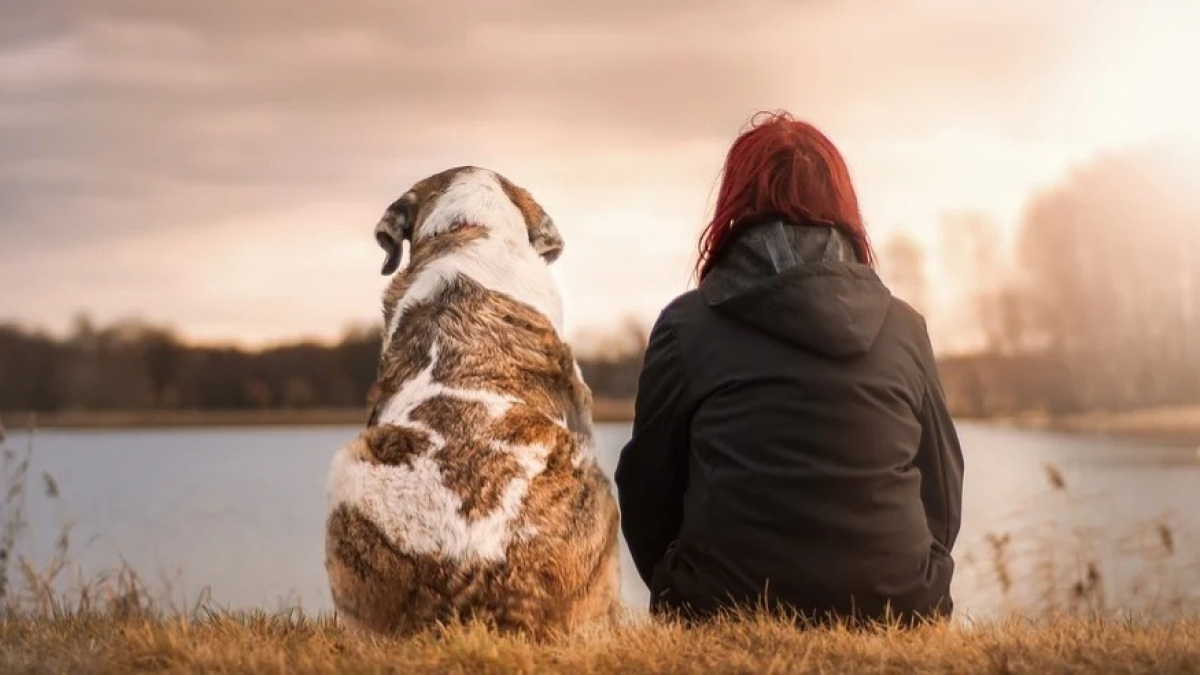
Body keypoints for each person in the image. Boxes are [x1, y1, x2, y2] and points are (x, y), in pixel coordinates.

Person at [614, 111, 964, 625]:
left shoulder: (687, 327)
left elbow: (646, 493)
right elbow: (943, 491)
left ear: (735, 205)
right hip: (899, 609)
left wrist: (681, 584)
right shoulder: (904, 327)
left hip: (722, 609)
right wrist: (908, 579)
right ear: (843, 206)